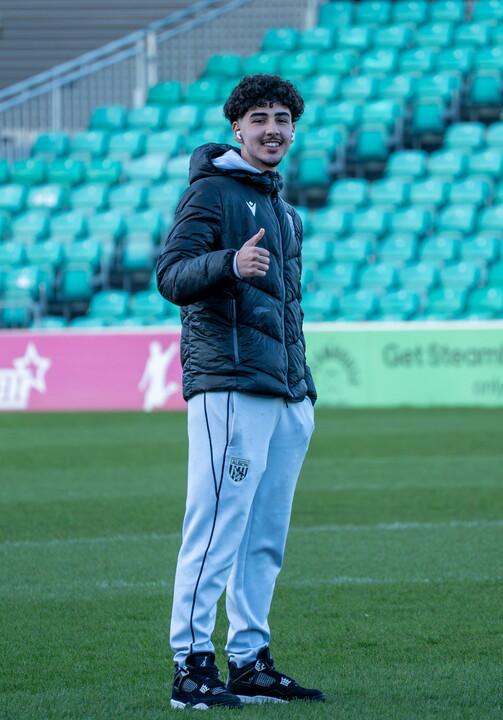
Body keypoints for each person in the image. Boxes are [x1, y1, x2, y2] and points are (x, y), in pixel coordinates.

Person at [157, 74, 325, 709]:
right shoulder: (211, 193)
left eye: (283, 117)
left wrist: (301, 391)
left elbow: (287, 309)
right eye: (259, 118)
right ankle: (191, 664)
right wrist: (228, 263)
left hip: (284, 392)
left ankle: (249, 658)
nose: (273, 128)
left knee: (264, 534)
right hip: (228, 386)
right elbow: (171, 275)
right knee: (217, 524)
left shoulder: (285, 211)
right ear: (237, 128)